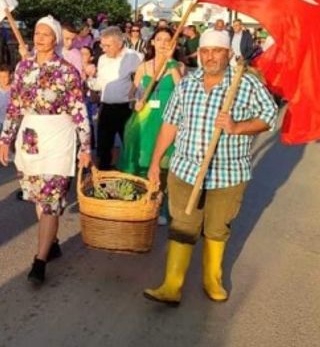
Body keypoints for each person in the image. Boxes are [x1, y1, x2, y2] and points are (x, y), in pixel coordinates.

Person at [143, 29, 277, 306]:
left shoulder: (245, 84)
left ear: (228, 54)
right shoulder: (187, 84)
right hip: (185, 170)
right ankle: (171, 285)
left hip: (228, 174)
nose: (210, 57)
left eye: (217, 51)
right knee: (182, 226)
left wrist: (237, 127)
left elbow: (269, 116)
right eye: (205, 51)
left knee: (217, 228)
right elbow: (170, 124)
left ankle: (212, 279)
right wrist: (156, 162)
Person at [0, 16, 91, 285]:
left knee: (50, 200)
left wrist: (86, 146)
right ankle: (52, 242)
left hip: (58, 138)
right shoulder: (23, 67)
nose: (39, 38)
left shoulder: (66, 71)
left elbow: (78, 110)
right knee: (39, 197)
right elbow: (14, 107)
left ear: (56, 39)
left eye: (46, 34)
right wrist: (5, 139)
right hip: (30, 138)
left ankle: (39, 261)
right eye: (36, 32)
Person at [118, 27, 184, 226]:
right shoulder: (144, 67)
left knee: (164, 164)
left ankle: (162, 206)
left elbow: (182, 91)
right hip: (145, 120)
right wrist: (136, 100)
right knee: (143, 161)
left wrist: (170, 62)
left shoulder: (178, 66)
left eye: (167, 40)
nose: (163, 43)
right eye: (159, 39)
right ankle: (141, 201)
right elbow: (131, 93)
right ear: (152, 42)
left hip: (167, 121)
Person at [86, 26, 142, 170]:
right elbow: (100, 85)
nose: (103, 49)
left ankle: (131, 177)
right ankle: (102, 180)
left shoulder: (134, 57)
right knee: (103, 147)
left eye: (107, 45)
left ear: (119, 43)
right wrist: (90, 77)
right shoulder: (103, 59)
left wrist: (138, 100)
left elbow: (141, 84)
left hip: (126, 109)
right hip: (105, 108)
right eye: (102, 45)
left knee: (129, 145)